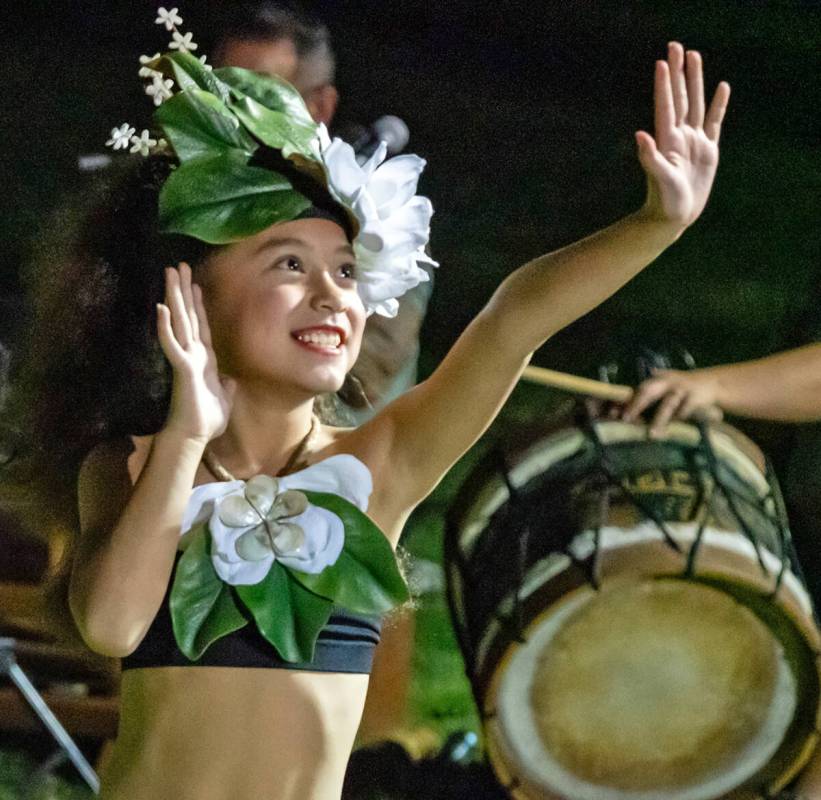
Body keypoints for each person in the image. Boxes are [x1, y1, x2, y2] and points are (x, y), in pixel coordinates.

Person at [6, 17, 733, 800]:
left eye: (347, 271)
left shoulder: (376, 464)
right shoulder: (136, 464)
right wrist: (187, 435)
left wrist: (656, 225)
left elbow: (513, 319)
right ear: (192, 293)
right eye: (290, 263)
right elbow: (112, 626)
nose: (330, 295)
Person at [207, 1, 427, 418]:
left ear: (320, 108)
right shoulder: (208, 191)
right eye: (220, 93)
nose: (231, 116)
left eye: (260, 97)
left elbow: (368, 372)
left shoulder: (377, 208)